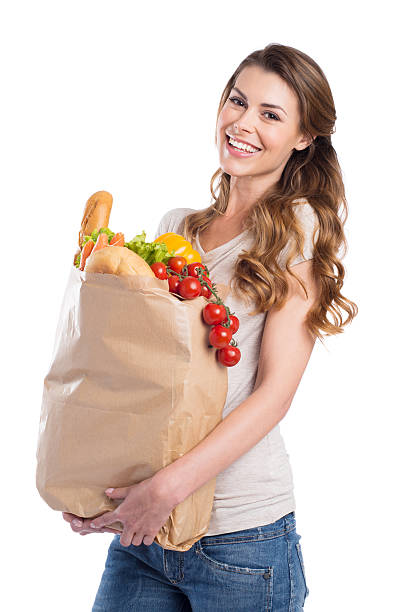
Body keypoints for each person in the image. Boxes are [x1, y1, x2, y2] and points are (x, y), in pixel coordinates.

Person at [63, 42, 358, 611]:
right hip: (146, 535)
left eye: (271, 115)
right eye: (237, 101)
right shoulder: (176, 230)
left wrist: (161, 491)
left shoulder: (299, 230)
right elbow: (145, 381)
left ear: (304, 138)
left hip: (242, 538)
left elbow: (274, 396)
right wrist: (105, 486)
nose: (243, 124)